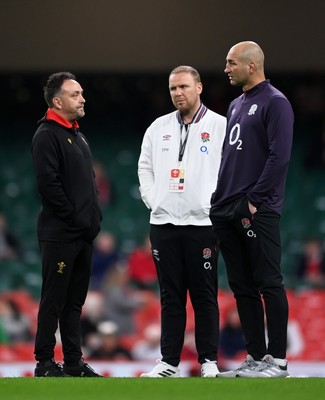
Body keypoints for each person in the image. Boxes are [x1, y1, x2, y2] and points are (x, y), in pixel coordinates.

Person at [209, 41, 294, 378]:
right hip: (226, 206)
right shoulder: (236, 104)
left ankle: (279, 361)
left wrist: (255, 199)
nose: (227, 69)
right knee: (241, 285)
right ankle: (256, 357)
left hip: (257, 208)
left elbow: (280, 156)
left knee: (268, 282)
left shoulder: (276, 103)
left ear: (251, 65)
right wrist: (219, 199)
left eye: (231, 63)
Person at [138, 65, 226, 378]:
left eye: (184, 87)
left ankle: (209, 361)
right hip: (163, 224)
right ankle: (168, 363)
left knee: (204, 295)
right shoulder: (157, 127)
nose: (178, 93)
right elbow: (144, 169)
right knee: (170, 295)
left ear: (199, 87)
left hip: (202, 224)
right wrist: (154, 199)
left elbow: (230, 172)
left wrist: (211, 204)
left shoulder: (219, 126)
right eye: (173, 88)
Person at [31, 72, 103, 377]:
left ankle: (74, 361)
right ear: (57, 101)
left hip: (82, 234)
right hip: (61, 233)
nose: (82, 98)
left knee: (74, 302)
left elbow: (88, 185)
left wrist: (93, 220)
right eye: (75, 94)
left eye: (82, 93)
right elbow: (48, 185)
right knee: (54, 299)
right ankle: (44, 362)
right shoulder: (47, 134)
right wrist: (76, 218)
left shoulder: (77, 134)